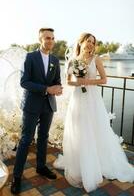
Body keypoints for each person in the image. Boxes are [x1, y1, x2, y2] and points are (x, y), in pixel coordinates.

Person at [54, 32, 134, 192]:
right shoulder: (73, 60)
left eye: (93, 42)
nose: (90, 44)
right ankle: (80, 163)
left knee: (95, 129)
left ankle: (97, 162)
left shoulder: (96, 59)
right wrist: (78, 83)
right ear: (81, 42)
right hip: (78, 99)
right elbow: (69, 81)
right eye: (88, 41)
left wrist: (87, 81)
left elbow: (104, 80)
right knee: (79, 130)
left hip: (92, 100)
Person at [11, 27, 63, 194]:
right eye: (47, 38)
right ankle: (16, 177)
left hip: (48, 105)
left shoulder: (55, 59)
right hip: (32, 105)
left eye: (52, 38)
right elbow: (24, 82)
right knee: (26, 139)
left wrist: (58, 88)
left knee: (43, 137)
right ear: (40, 39)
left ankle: (41, 167)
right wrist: (47, 89)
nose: (50, 41)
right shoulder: (30, 57)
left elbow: (57, 81)